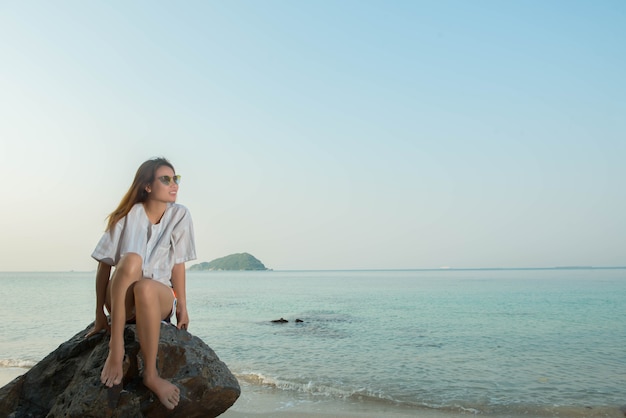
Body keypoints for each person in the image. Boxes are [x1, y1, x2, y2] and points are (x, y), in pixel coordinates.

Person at [86, 157, 196, 410]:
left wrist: (183, 307)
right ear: (147, 186)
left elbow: (178, 264)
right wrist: (99, 315)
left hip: (156, 299)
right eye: (165, 179)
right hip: (121, 301)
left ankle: (151, 375)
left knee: (145, 287)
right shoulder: (128, 215)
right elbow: (105, 265)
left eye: (175, 178)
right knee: (132, 260)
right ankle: (116, 347)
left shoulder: (180, 215)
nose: (174, 184)